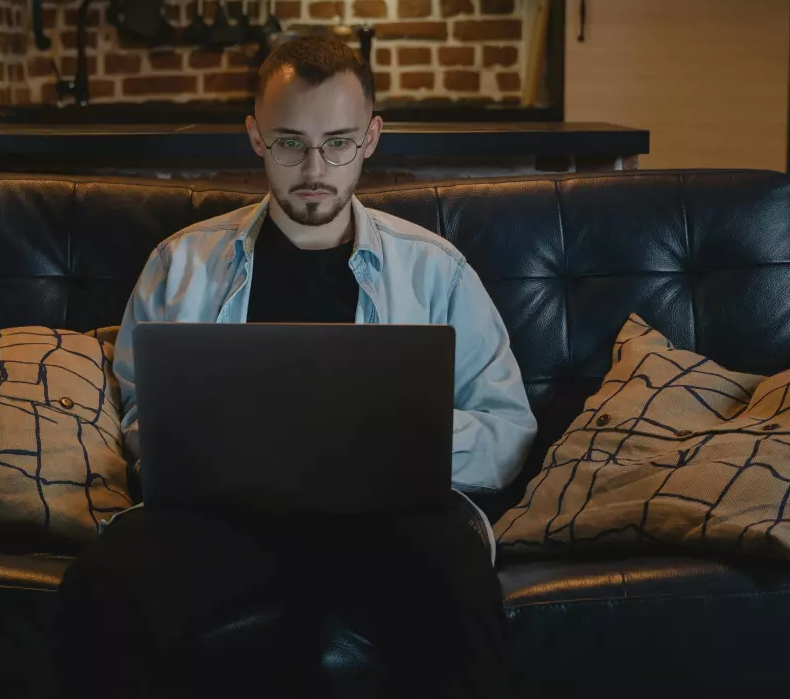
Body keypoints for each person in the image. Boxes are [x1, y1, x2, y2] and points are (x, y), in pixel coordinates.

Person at [53, 36, 537, 699]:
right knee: (104, 581)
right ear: (255, 136)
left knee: (456, 577)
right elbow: (142, 417)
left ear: (372, 137)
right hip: (220, 521)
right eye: (289, 141)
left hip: (389, 522)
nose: (315, 166)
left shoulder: (435, 269)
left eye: (338, 141)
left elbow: (505, 429)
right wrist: (203, 451)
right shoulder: (182, 262)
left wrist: (398, 446)